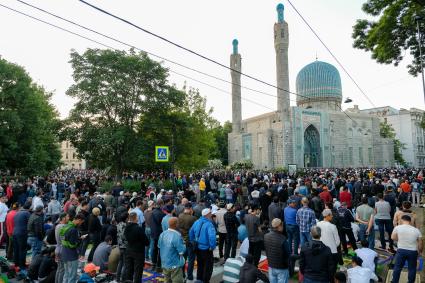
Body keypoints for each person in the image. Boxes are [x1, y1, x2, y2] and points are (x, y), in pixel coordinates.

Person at [391, 214, 423, 283]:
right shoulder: (416, 230)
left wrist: (400, 239)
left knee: (397, 267)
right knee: (412, 269)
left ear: (402, 220)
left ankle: (394, 281)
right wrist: (420, 252)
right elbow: (420, 243)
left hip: (401, 250)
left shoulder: (397, 227)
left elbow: (393, 237)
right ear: (410, 221)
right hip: (413, 252)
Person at [189, 208, 216, 283]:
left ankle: (199, 279)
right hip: (206, 249)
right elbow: (212, 237)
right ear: (207, 214)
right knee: (207, 267)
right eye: (210, 213)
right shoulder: (209, 224)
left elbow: (190, 232)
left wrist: (193, 241)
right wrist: (212, 246)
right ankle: (205, 280)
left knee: (200, 265)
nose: (211, 214)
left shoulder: (197, 222)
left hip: (198, 247)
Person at [124, 211, 149, 283]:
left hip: (129, 250)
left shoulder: (126, 227)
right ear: (135, 218)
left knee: (129, 270)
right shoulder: (138, 228)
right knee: (138, 271)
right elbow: (146, 241)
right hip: (138, 252)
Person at [158, 217, 186, 283]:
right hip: (174, 264)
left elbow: (159, 246)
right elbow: (181, 251)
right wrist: (184, 245)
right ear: (176, 224)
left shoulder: (162, 234)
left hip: (164, 262)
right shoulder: (177, 235)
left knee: (167, 280)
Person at [61, 213, 86, 283]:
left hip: (64, 253)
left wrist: (77, 238)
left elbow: (66, 239)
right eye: (81, 222)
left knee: (66, 275)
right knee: (72, 277)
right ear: (78, 220)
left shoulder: (67, 226)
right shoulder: (73, 229)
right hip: (71, 256)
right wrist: (80, 240)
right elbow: (73, 244)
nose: (81, 224)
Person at [264, 218, 290, 283]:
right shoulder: (283, 239)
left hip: (271, 266)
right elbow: (288, 253)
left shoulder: (266, 236)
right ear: (279, 226)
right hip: (281, 268)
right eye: (282, 225)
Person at [316, 209, 340, 276]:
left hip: (321, 250)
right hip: (332, 251)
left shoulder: (318, 224)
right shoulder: (333, 226)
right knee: (332, 272)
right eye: (331, 215)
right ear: (327, 216)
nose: (332, 216)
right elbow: (337, 242)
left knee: (323, 270)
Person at [177, 202, 196, 282]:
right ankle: (190, 275)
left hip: (182, 240)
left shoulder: (180, 216)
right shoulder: (193, 218)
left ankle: (182, 274)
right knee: (191, 259)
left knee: (183, 258)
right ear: (190, 209)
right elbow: (195, 230)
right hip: (189, 241)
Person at [55, 213, 69, 283]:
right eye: (67, 216)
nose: (69, 218)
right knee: (62, 269)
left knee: (59, 269)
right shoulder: (64, 226)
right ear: (63, 218)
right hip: (62, 250)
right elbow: (65, 239)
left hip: (57, 249)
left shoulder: (58, 226)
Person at [116, 211, 128, 282]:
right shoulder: (126, 226)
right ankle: (123, 279)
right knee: (125, 264)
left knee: (120, 262)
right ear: (126, 218)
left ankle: (118, 278)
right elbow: (125, 237)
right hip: (125, 246)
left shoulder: (118, 224)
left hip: (119, 246)